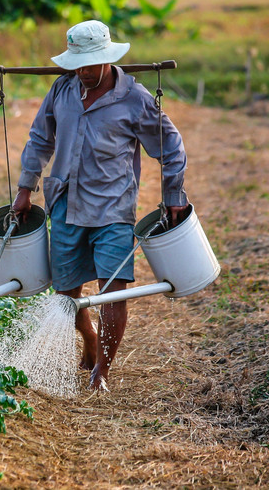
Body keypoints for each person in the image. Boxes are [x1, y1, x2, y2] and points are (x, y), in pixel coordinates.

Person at [11, 20, 190, 391]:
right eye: (78, 64)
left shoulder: (135, 99)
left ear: (108, 59)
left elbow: (171, 148)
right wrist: (25, 188)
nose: (84, 71)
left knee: (114, 291)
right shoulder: (62, 90)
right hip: (65, 204)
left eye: (90, 64)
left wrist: (173, 195)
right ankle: (89, 339)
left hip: (113, 209)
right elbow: (39, 139)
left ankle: (101, 373)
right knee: (66, 295)